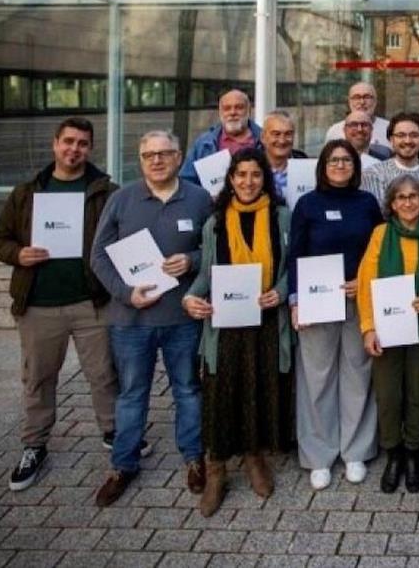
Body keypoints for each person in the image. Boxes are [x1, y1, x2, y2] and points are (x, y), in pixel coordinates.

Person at [0, 117, 122, 491]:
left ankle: (113, 432)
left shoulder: (105, 191)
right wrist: (19, 254)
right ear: (55, 144)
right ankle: (35, 444)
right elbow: (0, 240)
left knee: (103, 373)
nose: (74, 149)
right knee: (38, 377)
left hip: (91, 301)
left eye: (82, 143)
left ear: (90, 148)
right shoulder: (27, 192)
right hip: (38, 304)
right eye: (68, 142)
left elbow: (122, 237)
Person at [90, 130, 214, 506]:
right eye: (148, 155)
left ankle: (194, 458)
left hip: (182, 317)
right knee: (131, 394)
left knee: (188, 390)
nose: (157, 160)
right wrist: (126, 294)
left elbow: (214, 249)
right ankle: (123, 464)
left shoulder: (199, 198)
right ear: (140, 159)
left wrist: (191, 261)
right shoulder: (121, 199)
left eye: (165, 153)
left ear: (179, 157)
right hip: (131, 320)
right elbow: (99, 257)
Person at [180, 149, 295, 516]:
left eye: (256, 175)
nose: (248, 182)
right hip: (225, 323)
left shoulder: (281, 216)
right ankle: (217, 468)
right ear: (231, 179)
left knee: (260, 388)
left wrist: (280, 291)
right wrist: (190, 299)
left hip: (264, 321)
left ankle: (253, 455)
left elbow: (293, 265)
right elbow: (205, 273)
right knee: (220, 392)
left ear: (265, 179)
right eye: (241, 175)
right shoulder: (216, 222)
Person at [287, 140, 384, 490]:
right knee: (317, 377)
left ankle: (355, 450)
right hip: (316, 303)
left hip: (360, 300)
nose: (341, 165)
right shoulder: (307, 204)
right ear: (323, 165)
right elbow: (295, 253)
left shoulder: (367, 203)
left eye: (347, 160)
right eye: (334, 159)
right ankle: (319, 455)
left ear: (355, 167)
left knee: (358, 373)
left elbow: (379, 249)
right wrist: (296, 300)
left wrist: (364, 281)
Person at [357, 174, 419, 494]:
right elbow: (365, 283)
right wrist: (368, 328)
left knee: (417, 390)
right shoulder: (380, 234)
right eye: (401, 197)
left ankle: (413, 451)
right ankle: (394, 453)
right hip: (387, 330)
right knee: (388, 394)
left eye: (415, 196)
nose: (408, 202)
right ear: (391, 204)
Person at [361, 112, 419, 206]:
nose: (407, 141)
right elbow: (376, 213)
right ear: (391, 140)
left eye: (414, 135)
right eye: (401, 135)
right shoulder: (373, 175)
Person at [180, 89, 262, 185]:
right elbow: (186, 181)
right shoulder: (204, 143)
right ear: (220, 112)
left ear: (249, 110)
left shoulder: (265, 140)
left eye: (239, 107)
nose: (232, 112)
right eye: (227, 108)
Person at [261, 110, 308, 205]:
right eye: (276, 134)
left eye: (288, 134)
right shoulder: (251, 166)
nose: (282, 141)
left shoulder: (306, 166)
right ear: (263, 137)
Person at [325, 82, 390, 148]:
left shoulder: (388, 128)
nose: (362, 102)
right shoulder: (335, 131)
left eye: (367, 97)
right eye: (356, 97)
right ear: (349, 102)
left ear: (375, 101)